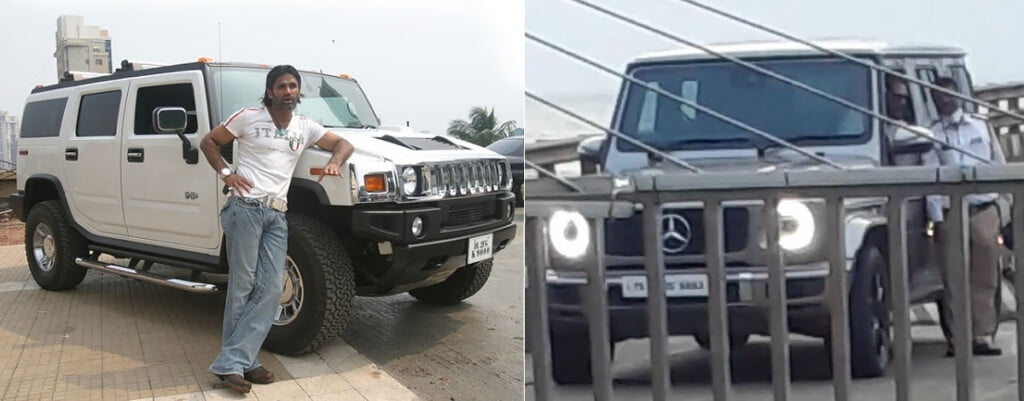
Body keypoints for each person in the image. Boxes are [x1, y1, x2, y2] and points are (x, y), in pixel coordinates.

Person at [198, 64, 355, 393]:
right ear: (270, 92)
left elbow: (343, 144)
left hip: (277, 214)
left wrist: (335, 161)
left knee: (270, 291)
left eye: (293, 86)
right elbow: (209, 142)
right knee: (242, 287)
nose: (288, 91)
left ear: (299, 92)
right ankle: (240, 363)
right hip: (246, 209)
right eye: (281, 86)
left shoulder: (305, 126)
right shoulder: (248, 117)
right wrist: (227, 174)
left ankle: (238, 360)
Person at [923, 76, 1006, 356]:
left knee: (984, 275)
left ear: (958, 96)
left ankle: (983, 336)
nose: (945, 100)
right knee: (953, 277)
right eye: (938, 96)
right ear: (933, 100)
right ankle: (957, 340)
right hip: (950, 211)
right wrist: (936, 218)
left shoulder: (981, 126)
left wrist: (1002, 205)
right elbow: (930, 179)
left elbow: (999, 164)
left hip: (983, 208)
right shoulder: (932, 134)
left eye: (949, 94)